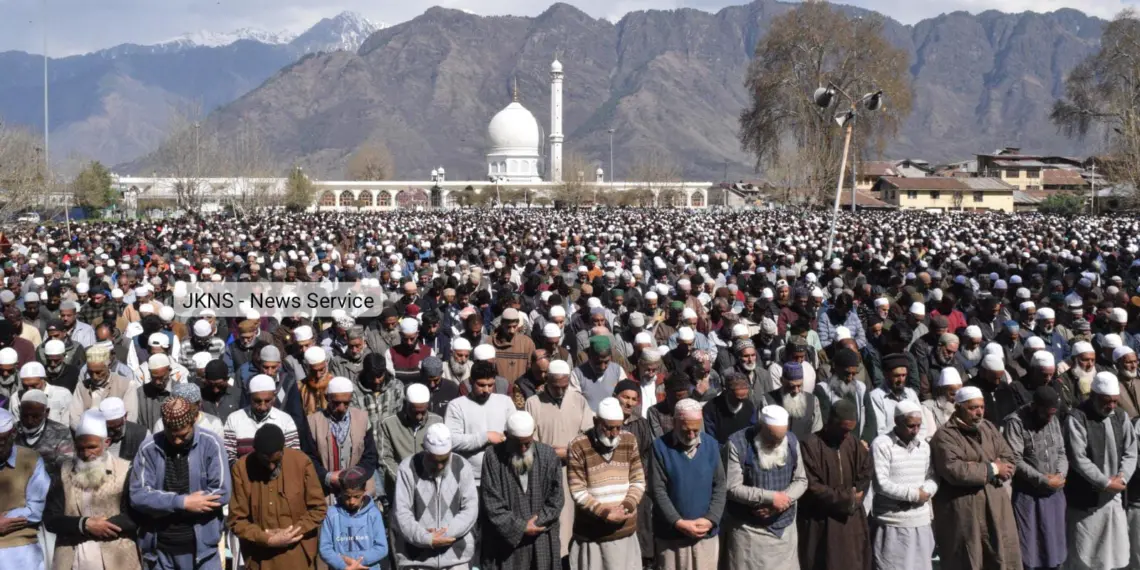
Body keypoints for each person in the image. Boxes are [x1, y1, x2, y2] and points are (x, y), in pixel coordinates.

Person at [130, 396, 232, 570]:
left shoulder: (211, 443)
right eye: (172, 435)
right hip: (160, 552)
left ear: (194, 420)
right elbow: (138, 495)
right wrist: (183, 502)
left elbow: (221, 491)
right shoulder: (149, 448)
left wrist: (163, 502)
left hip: (203, 551)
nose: (176, 441)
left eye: (183, 435)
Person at [929, 385, 1021, 570]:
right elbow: (957, 471)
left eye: (981, 407)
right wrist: (993, 467)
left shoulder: (988, 427)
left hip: (996, 504)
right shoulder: (945, 435)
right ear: (958, 408)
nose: (979, 412)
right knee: (969, 559)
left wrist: (981, 469)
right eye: (972, 408)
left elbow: (1009, 459)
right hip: (965, 510)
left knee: (1001, 557)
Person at [43, 409, 141, 570]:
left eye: (92, 447)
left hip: (118, 560)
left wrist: (102, 526)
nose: (85, 453)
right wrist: (85, 524)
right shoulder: (63, 471)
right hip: (71, 559)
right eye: (80, 448)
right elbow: (51, 519)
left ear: (107, 442)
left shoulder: (125, 470)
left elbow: (134, 516)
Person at [227, 424, 329, 570]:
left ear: (282, 451)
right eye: (265, 461)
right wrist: (267, 539)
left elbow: (318, 508)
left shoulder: (301, 462)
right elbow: (236, 521)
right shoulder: (241, 469)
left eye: (275, 461)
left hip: (298, 554)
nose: (271, 467)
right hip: (260, 558)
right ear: (255, 452)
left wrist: (291, 533)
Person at [1064, 371, 1137, 570]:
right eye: (1107, 401)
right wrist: (1105, 483)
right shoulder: (1077, 418)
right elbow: (1078, 458)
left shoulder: (1120, 416)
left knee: (1115, 553)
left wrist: (1122, 477)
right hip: (1087, 501)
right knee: (1085, 555)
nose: (1111, 406)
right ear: (1094, 396)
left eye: (1115, 401)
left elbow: (1131, 452)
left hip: (1114, 497)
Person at [721, 405, 807, 569]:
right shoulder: (737, 443)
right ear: (760, 428)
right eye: (771, 439)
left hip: (784, 531)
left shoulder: (791, 441)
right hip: (748, 532)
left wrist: (783, 502)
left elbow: (801, 480)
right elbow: (732, 488)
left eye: (779, 440)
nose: (776, 445)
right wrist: (771, 498)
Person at [524, 358, 593, 559]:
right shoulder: (533, 403)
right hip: (544, 473)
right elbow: (530, 444)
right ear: (547, 381)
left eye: (564, 386)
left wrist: (568, 451)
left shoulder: (579, 400)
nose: (561, 391)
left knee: (573, 520)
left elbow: (587, 436)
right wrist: (556, 453)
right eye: (556, 387)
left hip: (575, 471)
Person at [566, 397, 645, 570]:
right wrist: (605, 513)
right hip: (593, 535)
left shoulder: (629, 440)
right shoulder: (578, 446)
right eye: (608, 428)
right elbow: (578, 490)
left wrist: (625, 508)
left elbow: (638, 480)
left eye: (618, 427)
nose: (614, 433)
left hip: (625, 532)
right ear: (596, 421)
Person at [479, 411, 564, 570]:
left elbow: (557, 498)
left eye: (528, 443)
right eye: (518, 444)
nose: (523, 448)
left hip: (541, 536)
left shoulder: (548, 455)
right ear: (506, 436)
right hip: (506, 542)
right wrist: (520, 527)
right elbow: (491, 501)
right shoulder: (492, 456)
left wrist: (537, 522)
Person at [648, 398, 725, 570]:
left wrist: (710, 519)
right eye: (686, 430)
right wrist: (678, 522)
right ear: (675, 422)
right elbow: (657, 490)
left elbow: (720, 486)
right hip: (671, 537)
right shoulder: (659, 447)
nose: (691, 435)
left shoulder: (711, 445)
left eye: (695, 430)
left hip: (705, 534)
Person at [797, 399, 872, 570]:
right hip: (821, 522)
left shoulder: (853, 443)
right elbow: (812, 485)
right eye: (843, 430)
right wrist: (847, 498)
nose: (846, 435)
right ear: (830, 423)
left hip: (850, 521)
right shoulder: (810, 445)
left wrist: (856, 495)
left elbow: (866, 472)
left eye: (850, 431)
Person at [391, 423, 479, 570]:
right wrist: (427, 539)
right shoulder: (407, 469)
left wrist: (445, 534)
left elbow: (470, 509)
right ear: (425, 450)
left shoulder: (462, 466)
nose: (439, 466)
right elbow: (402, 514)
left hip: (457, 557)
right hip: (416, 559)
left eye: (444, 460)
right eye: (434, 460)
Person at [1001, 385, 1067, 570]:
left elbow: (1061, 451)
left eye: (1053, 414)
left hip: (1055, 492)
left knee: (1055, 548)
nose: (1049, 418)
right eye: (1046, 414)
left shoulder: (1052, 419)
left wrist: (1061, 474)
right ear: (1035, 407)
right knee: (1030, 550)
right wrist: (1043, 479)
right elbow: (1015, 460)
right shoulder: (1016, 422)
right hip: (1028, 496)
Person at [869, 400, 937, 570]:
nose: (915, 431)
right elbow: (881, 483)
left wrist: (926, 492)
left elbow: (932, 477)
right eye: (910, 426)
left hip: (920, 521)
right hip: (892, 523)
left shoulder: (924, 447)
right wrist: (914, 495)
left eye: (918, 426)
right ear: (897, 422)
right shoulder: (882, 444)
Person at [303, 376, 379, 497]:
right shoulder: (313, 422)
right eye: (337, 403)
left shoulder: (362, 419)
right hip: (326, 491)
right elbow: (308, 458)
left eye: (346, 403)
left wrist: (355, 477)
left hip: (358, 490)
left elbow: (370, 456)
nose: (342, 408)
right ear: (327, 398)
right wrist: (327, 476)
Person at [444, 360, 515, 485]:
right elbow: (452, 441)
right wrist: (485, 437)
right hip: (469, 478)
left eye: (490, 385)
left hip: (502, 475)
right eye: (481, 385)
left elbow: (514, 435)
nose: (486, 390)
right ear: (471, 382)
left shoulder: (505, 402)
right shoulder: (456, 405)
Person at [0, 408, 51, 569]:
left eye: (4, 440)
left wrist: (6, 521)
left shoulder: (30, 459)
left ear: (13, 433)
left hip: (20, 545)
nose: (0, 446)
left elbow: (35, 509)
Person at [379, 383, 442, 499]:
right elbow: (385, 458)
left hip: (429, 488)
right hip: (399, 489)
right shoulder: (389, 424)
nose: (419, 417)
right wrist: (403, 478)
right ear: (405, 404)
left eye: (423, 412)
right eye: (415, 412)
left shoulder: (437, 422)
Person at [318, 466, 388, 570]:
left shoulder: (373, 514)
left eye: (356, 496)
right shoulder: (332, 514)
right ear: (341, 491)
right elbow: (325, 548)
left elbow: (382, 548)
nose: (352, 502)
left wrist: (353, 562)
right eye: (347, 496)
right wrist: (343, 565)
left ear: (364, 491)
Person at [223, 375, 300, 464]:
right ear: (249, 397)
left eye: (267, 401)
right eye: (257, 401)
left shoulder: (285, 420)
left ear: (274, 397)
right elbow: (228, 456)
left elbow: (293, 455)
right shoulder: (234, 419)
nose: (262, 407)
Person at [68, 344, 138, 430]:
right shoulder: (82, 386)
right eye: (90, 372)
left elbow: (130, 419)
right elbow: (74, 418)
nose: (94, 377)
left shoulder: (127, 385)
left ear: (108, 366)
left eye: (99, 372)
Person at [14, 388, 75, 475]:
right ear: (20, 410)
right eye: (25, 415)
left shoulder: (61, 432)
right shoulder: (11, 431)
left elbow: (65, 466)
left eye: (35, 416)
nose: (29, 421)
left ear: (46, 412)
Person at [762, 362, 822, 439]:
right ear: (781, 381)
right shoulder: (767, 401)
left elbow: (816, 431)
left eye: (799, 385)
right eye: (791, 386)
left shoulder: (813, 401)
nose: (796, 391)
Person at [702, 373, 756, 444]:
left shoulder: (749, 406)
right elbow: (711, 438)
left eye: (745, 397)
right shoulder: (711, 409)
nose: (743, 401)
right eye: (738, 399)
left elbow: (753, 430)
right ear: (727, 391)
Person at [100, 397, 149, 462]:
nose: (112, 432)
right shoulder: (93, 435)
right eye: (109, 428)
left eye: (116, 426)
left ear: (125, 416)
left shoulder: (142, 435)